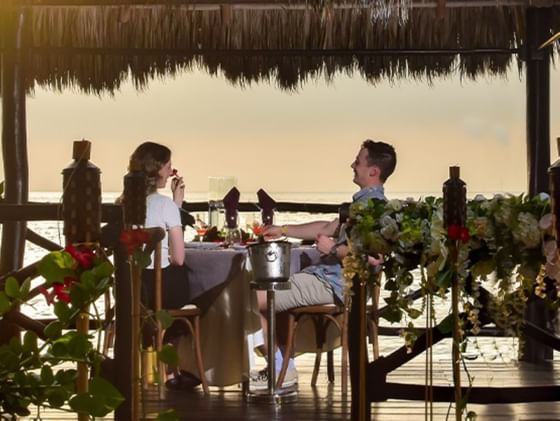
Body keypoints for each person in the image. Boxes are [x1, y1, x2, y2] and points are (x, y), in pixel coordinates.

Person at [252, 139, 396, 390]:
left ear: (373, 171)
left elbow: (373, 256)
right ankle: (283, 367)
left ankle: (279, 369)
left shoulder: (374, 207)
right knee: (271, 288)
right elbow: (326, 227)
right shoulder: (362, 204)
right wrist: (283, 229)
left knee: (254, 298)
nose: (353, 165)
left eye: (358, 161)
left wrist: (333, 249)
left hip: (334, 283)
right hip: (326, 278)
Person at [127, 141, 200, 390]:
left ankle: (160, 365)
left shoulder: (122, 203)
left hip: (130, 288)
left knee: (171, 295)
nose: (171, 171)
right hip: (158, 289)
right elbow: (178, 258)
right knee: (199, 291)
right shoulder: (165, 205)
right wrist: (174, 206)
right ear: (158, 170)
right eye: (168, 166)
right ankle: (172, 368)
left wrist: (175, 205)